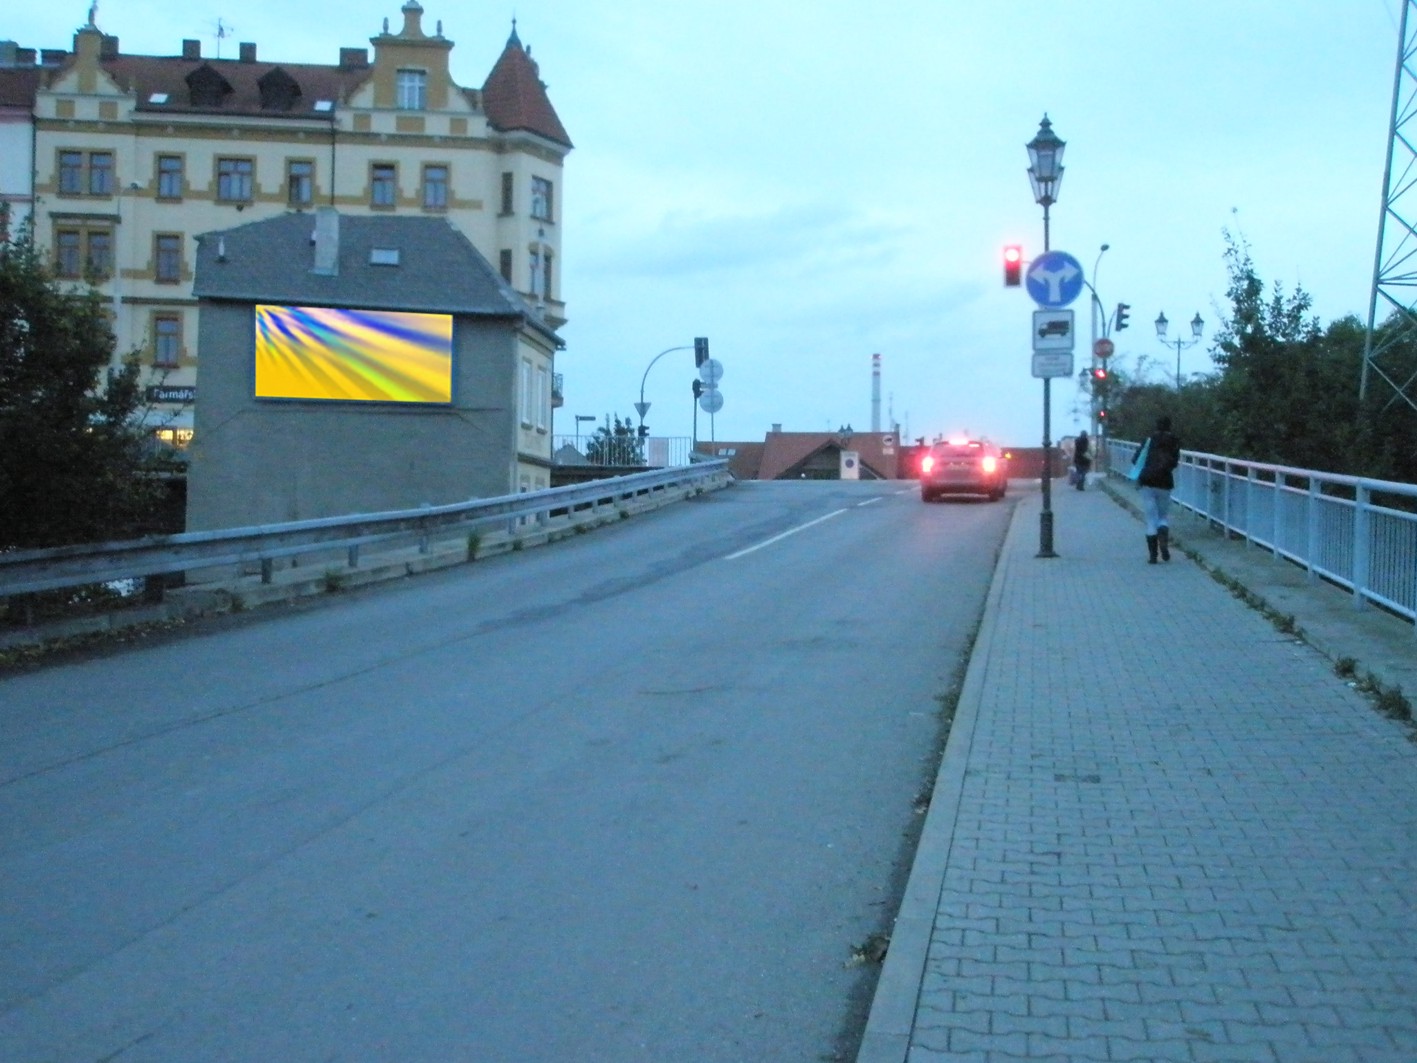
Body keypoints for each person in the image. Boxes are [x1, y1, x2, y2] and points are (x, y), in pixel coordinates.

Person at [1136, 415, 1181, 563]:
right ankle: (1164, 542)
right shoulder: (1174, 441)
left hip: (1147, 481)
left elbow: (1136, 459)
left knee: (1150, 519)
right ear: (1169, 426)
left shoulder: (1148, 440)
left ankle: (1153, 556)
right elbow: (1174, 462)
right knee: (1163, 517)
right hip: (1165, 482)